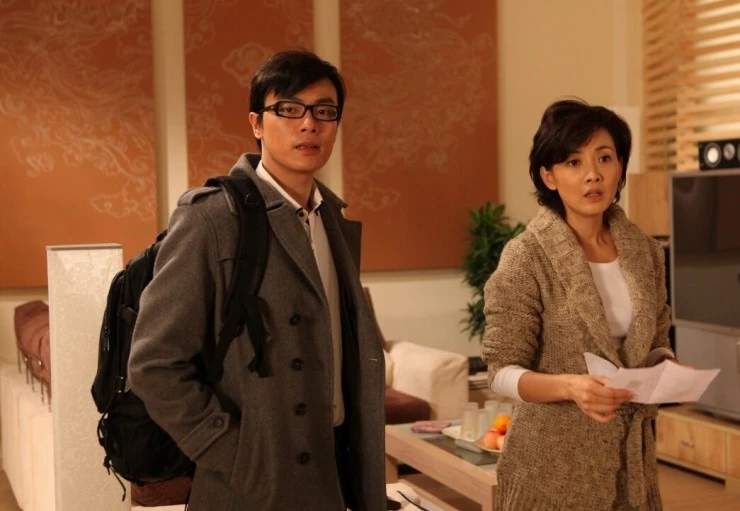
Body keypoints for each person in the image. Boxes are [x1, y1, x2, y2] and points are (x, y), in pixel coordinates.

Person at [128, 50, 386, 511]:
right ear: (257, 124)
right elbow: (154, 363)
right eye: (288, 109)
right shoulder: (212, 219)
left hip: (332, 472)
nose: (309, 124)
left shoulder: (333, 220)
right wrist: (236, 455)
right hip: (249, 486)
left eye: (325, 111)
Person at [482, 99, 674, 510]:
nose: (593, 174)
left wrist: (668, 369)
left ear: (620, 166)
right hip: (551, 471)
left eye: (604, 158)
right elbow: (500, 372)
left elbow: (656, 342)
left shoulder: (646, 253)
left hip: (634, 468)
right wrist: (571, 387)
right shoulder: (526, 257)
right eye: (573, 162)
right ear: (548, 176)